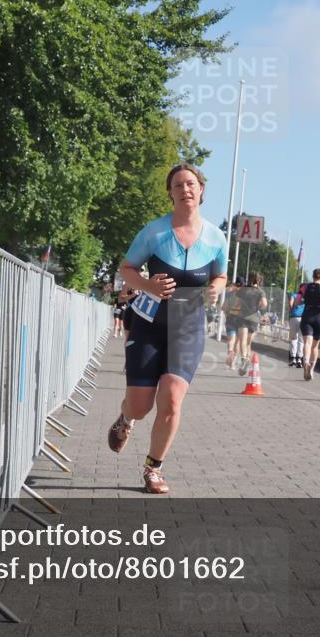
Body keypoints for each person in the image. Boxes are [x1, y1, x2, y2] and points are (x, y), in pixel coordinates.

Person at [106, 164, 227, 494]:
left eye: (191, 184)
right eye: (178, 185)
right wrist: (147, 284)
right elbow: (127, 268)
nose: (185, 189)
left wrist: (217, 287)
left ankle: (152, 469)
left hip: (188, 329)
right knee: (141, 405)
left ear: (201, 190)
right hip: (148, 326)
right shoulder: (154, 232)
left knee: (172, 400)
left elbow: (220, 274)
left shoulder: (217, 237)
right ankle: (125, 418)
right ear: (170, 192)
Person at [295, 268, 320, 381]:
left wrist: (304, 301)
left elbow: (297, 302)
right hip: (319, 317)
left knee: (307, 343)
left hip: (307, 315)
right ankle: (311, 370)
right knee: (315, 346)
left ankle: (305, 361)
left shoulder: (304, 287)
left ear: (313, 276)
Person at [234, 271, 267, 375]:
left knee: (242, 341)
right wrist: (259, 308)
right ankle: (246, 358)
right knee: (248, 343)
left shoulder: (243, 290)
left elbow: (237, 303)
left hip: (242, 316)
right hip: (253, 318)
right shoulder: (260, 291)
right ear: (259, 280)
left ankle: (244, 359)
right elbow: (264, 304)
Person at [223, 276, 244, 369]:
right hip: (240, 320)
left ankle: (230, 354)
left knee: (231, 341)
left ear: (235, 284)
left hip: (230, 318)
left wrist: (227, 314)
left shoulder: (230, 294)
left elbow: (224, 307)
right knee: (238, 342)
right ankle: (233, 363)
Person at [287, 282, 306, 367]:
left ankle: (293, 358)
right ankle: (299, 359)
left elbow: (290, 304)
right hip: (303, 319)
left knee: (293, 338)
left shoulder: (294, 295)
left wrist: (292, 310)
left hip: (294, 317)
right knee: (301, 340)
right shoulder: (306, 297)